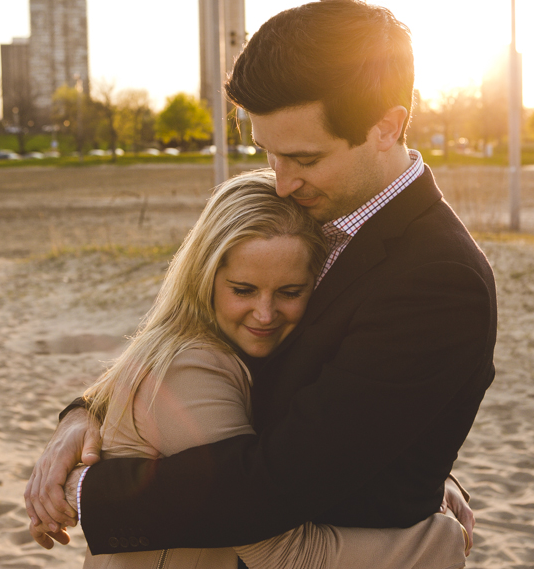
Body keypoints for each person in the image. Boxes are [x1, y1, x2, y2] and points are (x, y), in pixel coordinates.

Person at [25, 0, 496, 561]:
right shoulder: (317, 219)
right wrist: (83, 413)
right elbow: (198, 330)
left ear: (386, 127)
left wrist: (85, 490)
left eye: (304, 158)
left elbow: (277, 483)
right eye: (269, 154)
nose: (281, 182)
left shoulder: (437, 279)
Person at [74, 169, 469, 568]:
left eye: (289, 292)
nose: (264, 314)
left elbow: (303, 454)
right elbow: (281, 553)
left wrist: (426, 483)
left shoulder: (264, 355)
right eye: (243, 290)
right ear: (205, 277)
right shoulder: (188, 367)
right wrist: (441, 539)